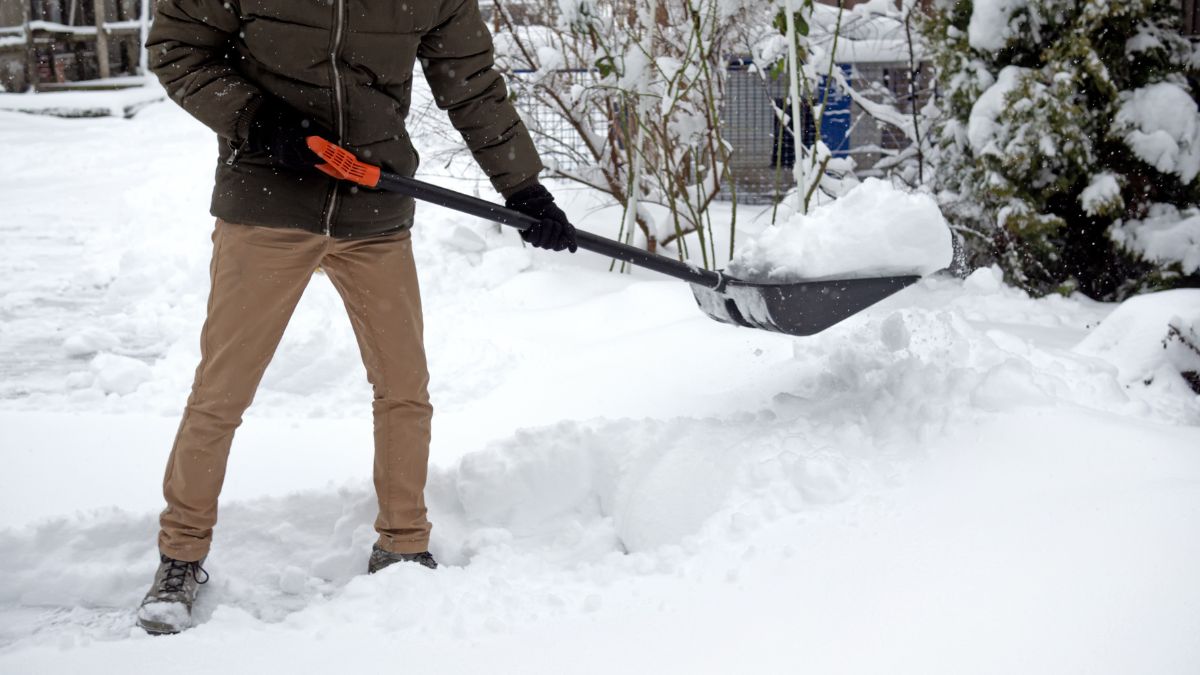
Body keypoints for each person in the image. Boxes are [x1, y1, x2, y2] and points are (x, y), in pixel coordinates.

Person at [134, 0, 577, 635]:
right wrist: (257, 121)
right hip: (268, 200)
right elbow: (178, 50)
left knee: (404, 388)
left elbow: (472, 85)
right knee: (222, 392)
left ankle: (403, 544)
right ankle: (179, 556)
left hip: (374, 204)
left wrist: (525, 189)